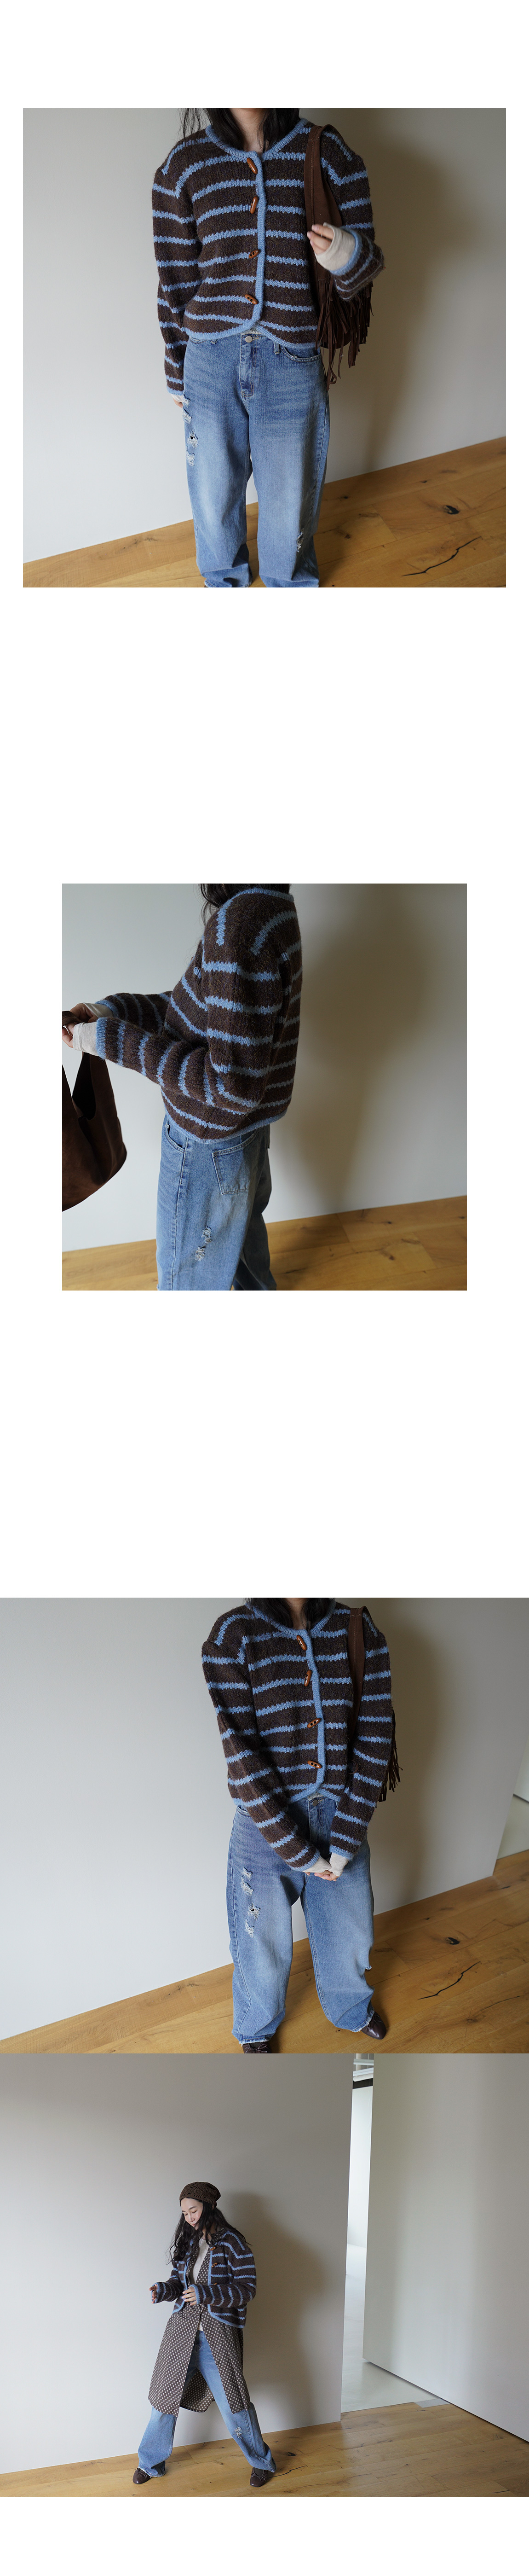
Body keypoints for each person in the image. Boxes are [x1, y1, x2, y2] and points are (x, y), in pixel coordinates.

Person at [152, 109, 384, 587]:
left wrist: (342, 252)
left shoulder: (327, 153)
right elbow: (174, 282)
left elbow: (366, 269)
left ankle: (289, 584)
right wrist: (177, 369)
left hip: (291, 355)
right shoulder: (184, 165)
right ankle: (223, 582)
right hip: (209, 361)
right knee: (214, 493)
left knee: (290, 496)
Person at [62, 883, 301, 1290]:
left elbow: (231, 1086)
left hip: (207, 1146)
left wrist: (109, 1039)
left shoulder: (237, 928)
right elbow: (199, 1012)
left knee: (187, 1282)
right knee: (243, 1249)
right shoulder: (272, 906)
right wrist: (111, 1012)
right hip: (243, 1136)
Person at [202, 1596, 396, 2047]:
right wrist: (296, 1851)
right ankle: (256, 2026)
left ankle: (350, 2007)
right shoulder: (233, 1636)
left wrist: (346, 1837)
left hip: (341, 1813)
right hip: (265, 1821)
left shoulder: (357, 1629)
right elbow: (241, 1754)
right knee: (260, 1943)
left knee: (350, 1931)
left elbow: (375, 1734)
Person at [134, 2183, 276, 2489]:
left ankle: (262, 2463)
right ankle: (150, 2462)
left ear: (210, 2206)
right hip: (181, 2332)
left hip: (218, 2337)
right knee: (163, 2399)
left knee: (235, 2404)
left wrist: (206, 2294)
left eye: (194, 2210)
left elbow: (247, 2289)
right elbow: (178, 2283)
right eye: (185, 2213)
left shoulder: (233, 2242)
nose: (189, 2217)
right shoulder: (189, 2243)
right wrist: (164, 2290)